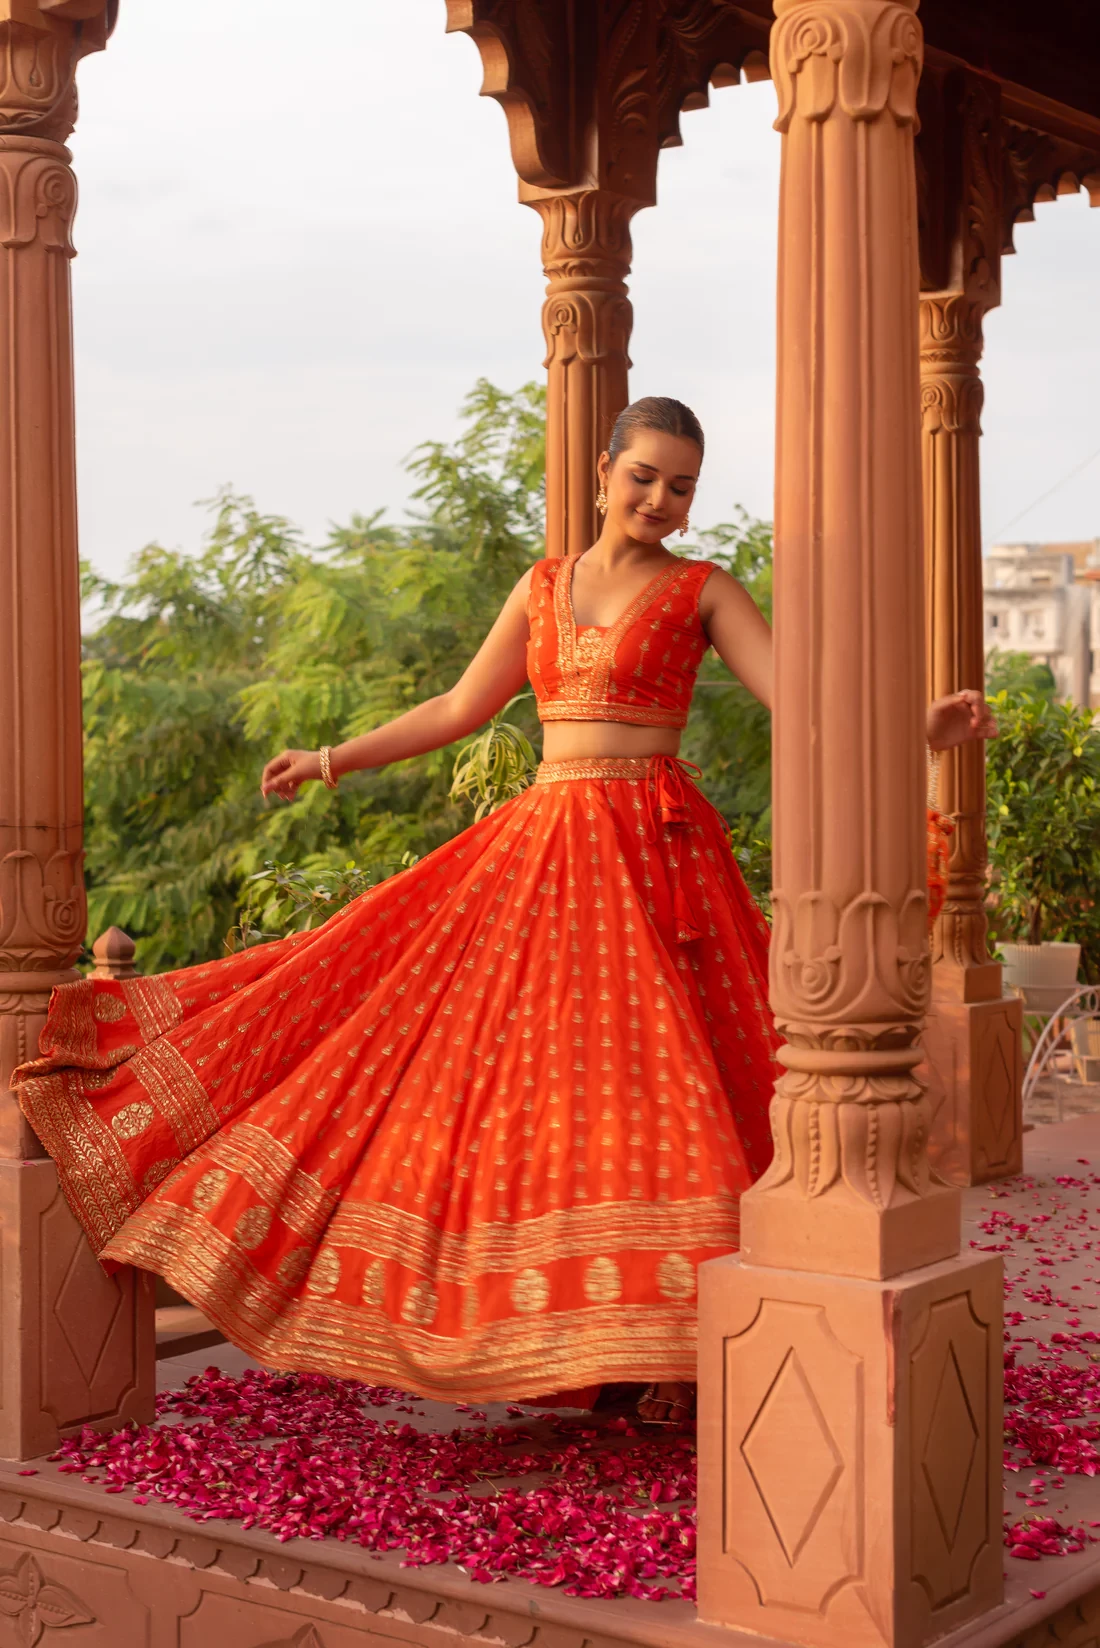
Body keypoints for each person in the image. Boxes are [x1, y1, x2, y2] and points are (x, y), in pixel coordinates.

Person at [13, 397, 995, 1423]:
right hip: (544, 857)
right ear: (603, 469)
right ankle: (559, 1332)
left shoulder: (702, 591)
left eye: (681, 485)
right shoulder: (542, 589)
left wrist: (919, 725)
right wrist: (330, 758)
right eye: (644, 475)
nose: (659, 498)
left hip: (655, 868)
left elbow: (798, 695)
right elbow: (457, 708)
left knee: (669, 1091)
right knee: (517, 1081)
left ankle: (674, 1347)